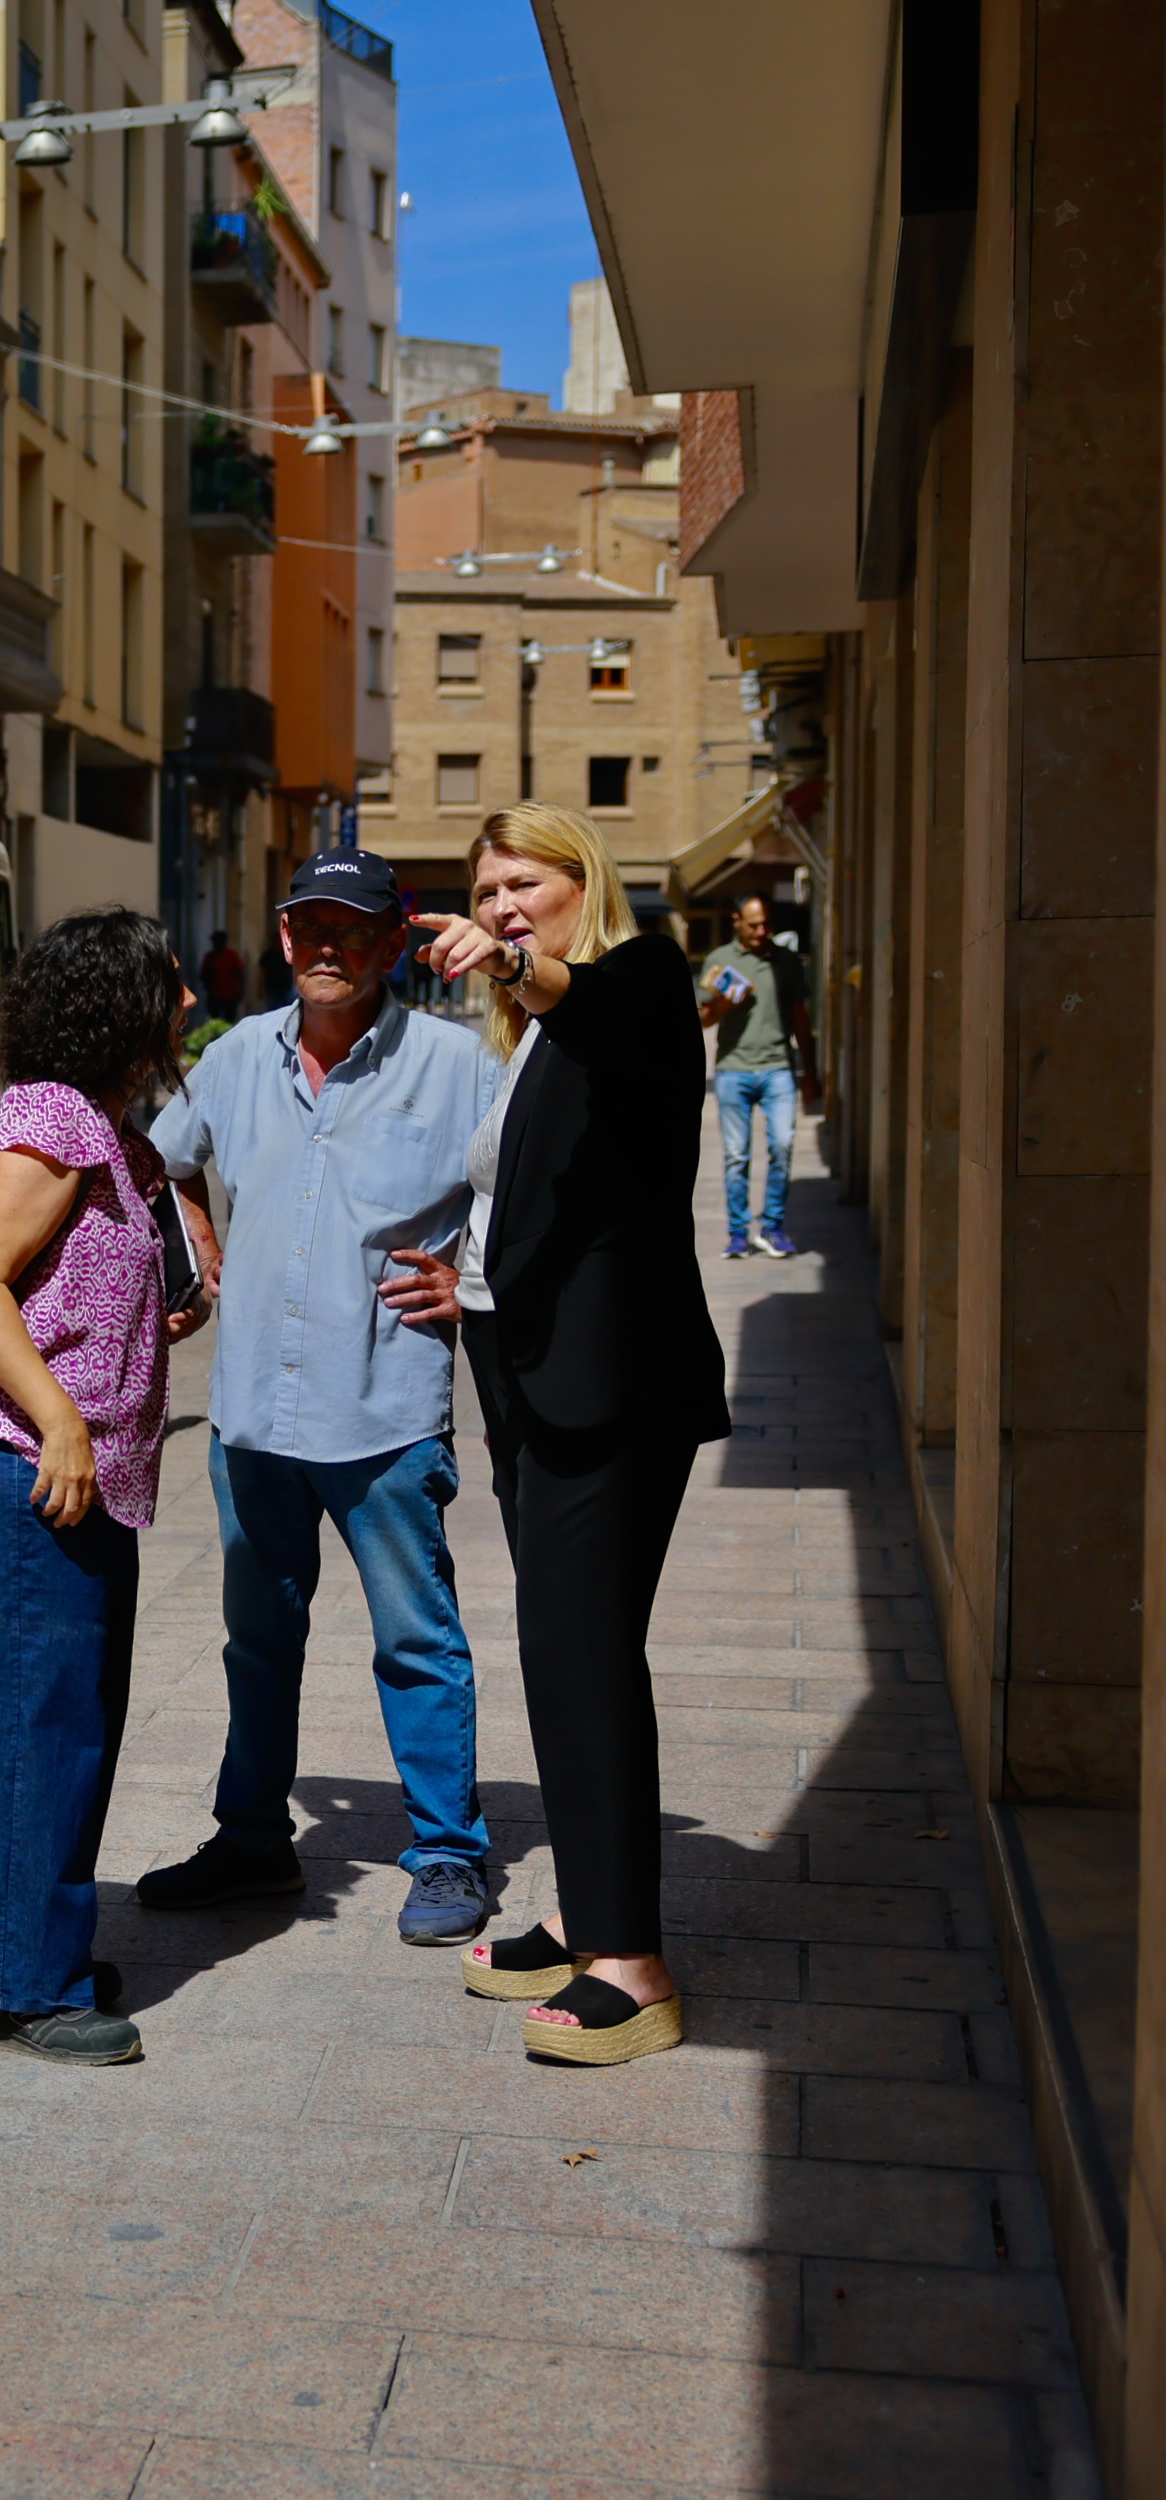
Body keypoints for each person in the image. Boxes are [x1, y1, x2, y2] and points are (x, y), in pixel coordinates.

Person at [409, 804, 732, 2065]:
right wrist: (464, 1288)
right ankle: (586, 1912)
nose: (501, 904)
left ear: (579, 882)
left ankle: (635, 1965)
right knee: (557, 1653)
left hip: (615, 1390)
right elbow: (537, 1204)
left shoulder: (636, 982)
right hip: (531, 1385)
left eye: (523, 882)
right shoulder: (532, 1044)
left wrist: (514, 965)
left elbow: (591, 1006)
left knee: (587, 1653)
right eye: (486, 889)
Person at [143, 848, 502, 1944]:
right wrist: (195, 1237)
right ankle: (252, 1836)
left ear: (393, 941)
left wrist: (475, 1277)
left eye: (352, 926)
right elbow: (163, 1157)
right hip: (254, 1406)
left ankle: (446, 1849)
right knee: (257, 1636)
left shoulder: (455, 1062)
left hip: (382, 1404)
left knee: (416, 1636)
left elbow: (532, 1181)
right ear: (286, 937)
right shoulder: (239, 1053)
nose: (326, 946)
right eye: (308, 926)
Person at [0, 908, 207, 2066]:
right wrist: (58, 1420)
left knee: (64, 1718)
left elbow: (72, 1284)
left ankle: (30, 1943)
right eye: (171, 984)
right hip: (23, 1463)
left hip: (72, 1473)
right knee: (32, 1720)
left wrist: (164, 1309)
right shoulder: (52, 1118)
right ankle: (11, 1985)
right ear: (121, 1004)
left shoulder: (103, 1127)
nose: (188, 1000)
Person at [695, 892, 814, 1259]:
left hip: (779, 1067)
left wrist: (811, 1072)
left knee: (782, 1146)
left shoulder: (787, 961)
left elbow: (800, 1017)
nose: (762, 931)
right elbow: (703, 1018)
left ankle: (773, 1228)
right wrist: (729, 1002)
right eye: (753, 925)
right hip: (734, 1069)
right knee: (736, 1155)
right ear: (737, 922)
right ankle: (737, 1234)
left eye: (766, 924)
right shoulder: (719, 960)